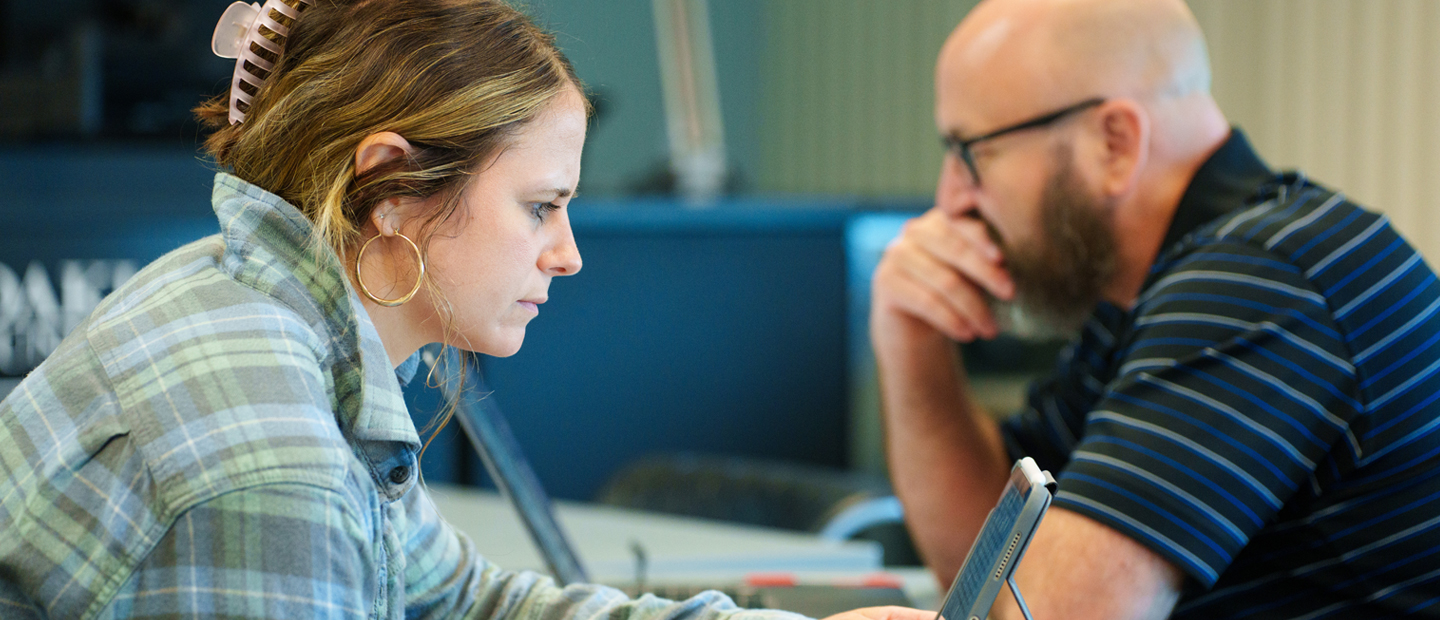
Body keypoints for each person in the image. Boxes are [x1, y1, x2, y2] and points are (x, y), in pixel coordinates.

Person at [0, 2, 933, 619]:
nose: (566, 254)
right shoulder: (271, 454)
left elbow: (462, 600)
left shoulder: (258, 305)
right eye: (540, 207)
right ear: (391, 186)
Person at [871, 0, 1440, 618]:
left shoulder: (1259, 285)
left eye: (971, 151)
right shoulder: (1150, 291)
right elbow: (989, 575)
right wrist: (912, 343)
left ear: (1115, 141)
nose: (949, 197)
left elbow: (1059, 614)